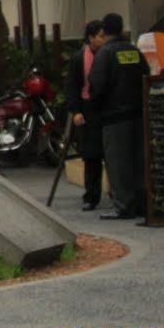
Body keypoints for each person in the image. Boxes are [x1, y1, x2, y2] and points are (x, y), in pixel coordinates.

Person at [88, 12, 150, 221]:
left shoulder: (104, 54)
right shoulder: (134, 51)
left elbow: (97, 86)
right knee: (138, 160)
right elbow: (147, 77)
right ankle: (142, 202)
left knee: (117, 163)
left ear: (104, 31)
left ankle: (123, 205)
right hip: (138, 114)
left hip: (114, 117)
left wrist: (96, 111)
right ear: (122, 28)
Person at [64, 21, 107, 211]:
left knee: (111, 154)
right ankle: (91, 195)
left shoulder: (108, 55)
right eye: (100, 36)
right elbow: (72, 86)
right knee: (91, 156)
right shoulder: (79, 58)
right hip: (87, 108)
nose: (103, 39)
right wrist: (76, 111)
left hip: (106, 108)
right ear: (90, 38)